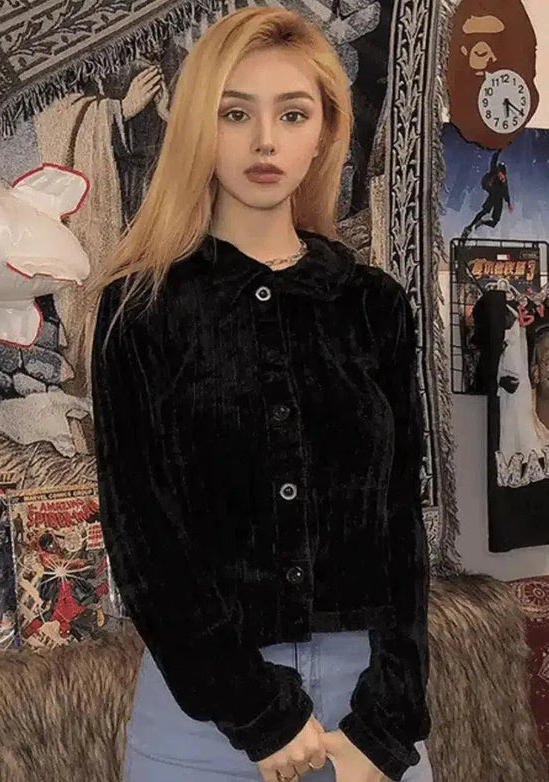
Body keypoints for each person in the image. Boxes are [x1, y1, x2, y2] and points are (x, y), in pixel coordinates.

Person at [84, 8, 433, 782]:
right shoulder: (141, 309)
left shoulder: (374, 306)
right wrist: (256, 711)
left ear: (325, 132)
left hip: (366, 708)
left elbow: (399, 523)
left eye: (293, 114)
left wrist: (392, 718)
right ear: (197, 128)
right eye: (236, 113)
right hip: (202, 714)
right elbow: (141, 534)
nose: (265, 141)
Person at [461, 150, 514, 238]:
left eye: (503, 175)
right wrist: (498, 151)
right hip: (492, 195)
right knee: (485, 211)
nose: (501, 176)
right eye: (500, 174)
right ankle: (470, 227)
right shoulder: (494, 172)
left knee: (495, 221)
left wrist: (508, 203)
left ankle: (481, 223)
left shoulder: (504, 181)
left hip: (498, 199)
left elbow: (506, 191)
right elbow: (493, 161)